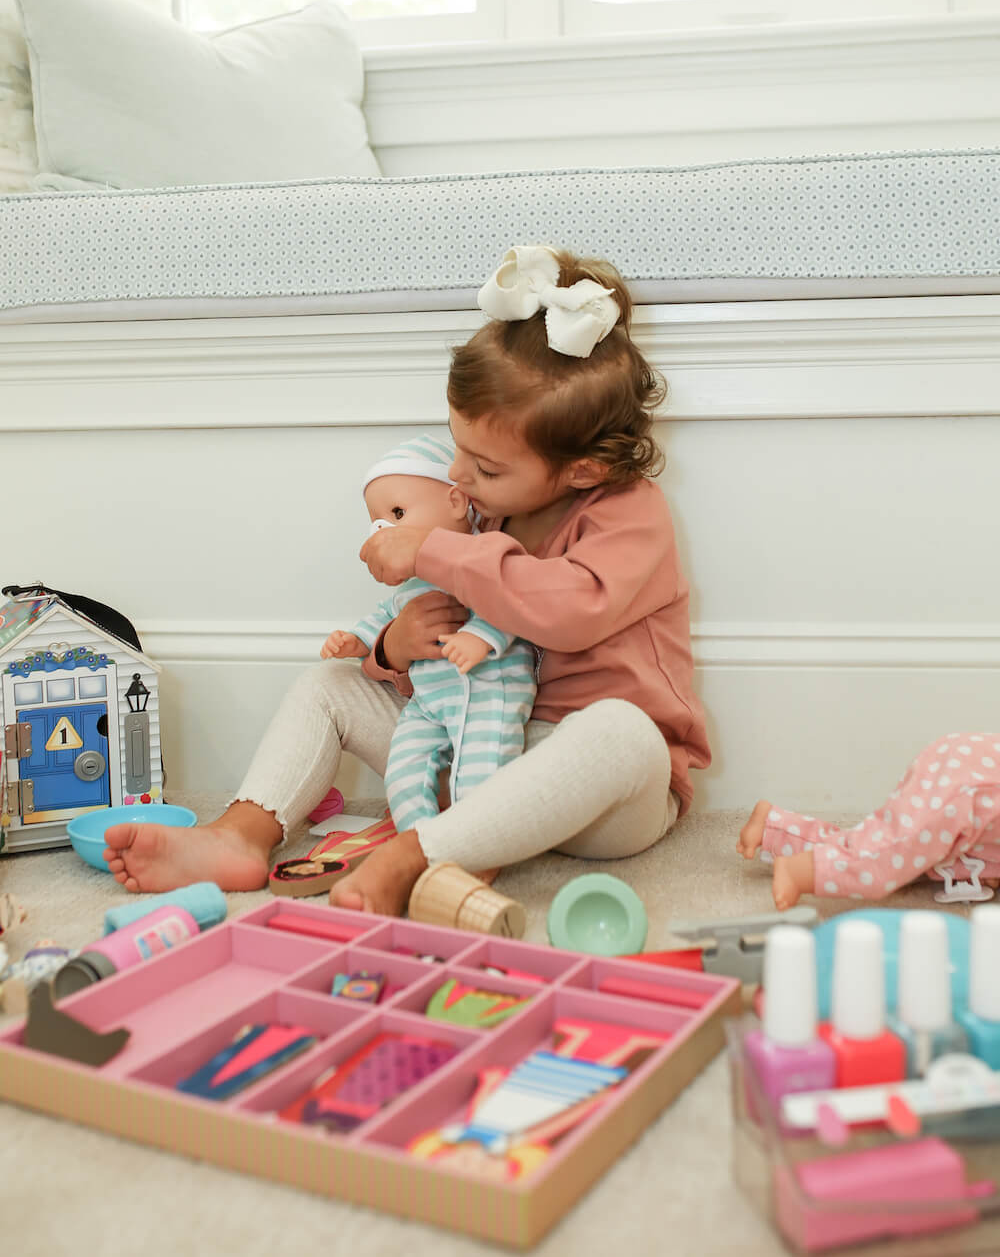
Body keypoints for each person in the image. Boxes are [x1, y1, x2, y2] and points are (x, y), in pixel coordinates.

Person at [102, 244, 711, 914]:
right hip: (478, 747)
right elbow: (435, 631)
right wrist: (395, 645)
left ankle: (420, 854)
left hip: (602, 799)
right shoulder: (486, 510)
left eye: (485, 467)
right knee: (329, 685)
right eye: (457, 449)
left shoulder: (630, 514)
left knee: (621, 732)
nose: (458, 476)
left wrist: (432, 552)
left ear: (583, 470)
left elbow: (569, 609)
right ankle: (240, 836)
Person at [325, 432, 536, 831]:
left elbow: (511, 598)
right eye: (376, 521)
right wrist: (356, 640)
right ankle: (420, 839)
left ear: (456, 502)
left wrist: (481, 636)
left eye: (398, 514)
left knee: (480, 776)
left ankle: (473, 842)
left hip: (488, 690)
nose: (382, 530)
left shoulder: (486, 552)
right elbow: (382, 618)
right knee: (404, 773)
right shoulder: (409, 587)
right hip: (428, 702)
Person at [738, 730, 1000, 909]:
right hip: (967, 786)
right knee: (887, 858)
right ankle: (803, 871)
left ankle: (776, 828)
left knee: (872, 844)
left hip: (970, 767)